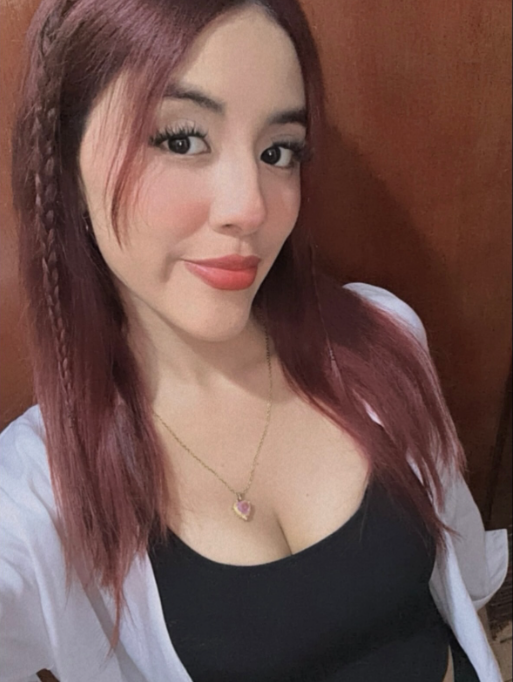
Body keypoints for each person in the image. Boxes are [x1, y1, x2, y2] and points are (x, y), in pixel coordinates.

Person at [0, 0, 509, 680]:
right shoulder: (37, 493)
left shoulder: (381, 337)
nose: (251, 207)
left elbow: (465, 586)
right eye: (181, 140)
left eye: (278, 151)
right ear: (67, 166)